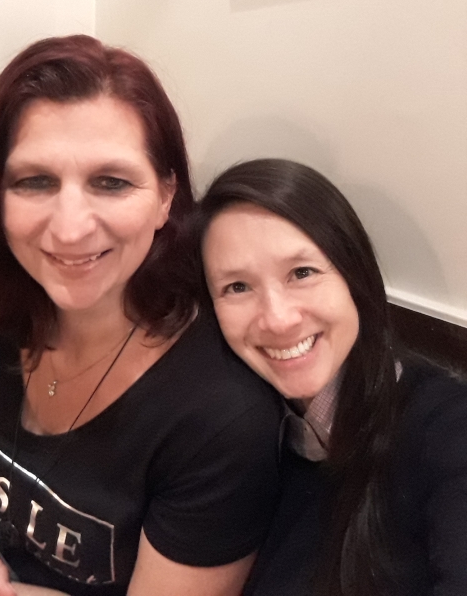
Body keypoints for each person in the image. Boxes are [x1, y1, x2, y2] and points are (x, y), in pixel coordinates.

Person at [0, 37, 281, 596]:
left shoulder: (219, 415)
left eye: (111, 182)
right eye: (34, 181)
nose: (69, 228)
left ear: (166, 196)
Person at [198, 158, 467, 596]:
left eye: (302, 273)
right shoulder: (236, 433)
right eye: (237, 287)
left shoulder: (445, 430)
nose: (278, 319)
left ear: (354, 277)